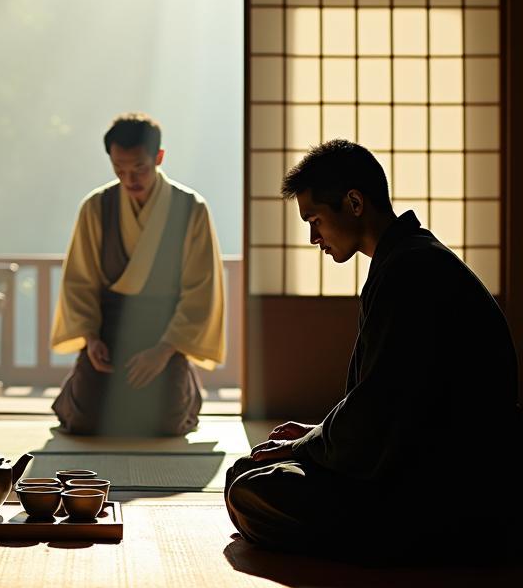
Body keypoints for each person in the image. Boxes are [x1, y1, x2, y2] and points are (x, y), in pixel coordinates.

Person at [225, 138, 521, 562]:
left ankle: (415, 549)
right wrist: (314, 435)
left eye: (316, 220)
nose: (313, 238)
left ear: (354, 203)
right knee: (248, 472)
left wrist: (309, 441)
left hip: (447, 487)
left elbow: (381, 409)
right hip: (418, 466)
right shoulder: (405, 259)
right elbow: (381, 403)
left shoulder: (413, 271)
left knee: (250, 490)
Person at [50, 113, 225, 436]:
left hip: (166, 332)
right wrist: (91, 338)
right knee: (84, 422)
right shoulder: (96, 207)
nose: (130, 179)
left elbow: (201, 289)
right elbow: (79, 281)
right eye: (119, 170)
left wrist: (165, 350)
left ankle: (184, 383)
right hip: (108, 328)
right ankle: (78, 383)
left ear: (158, 157)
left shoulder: (191, 208)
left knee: (167, 424)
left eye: (139, 169)